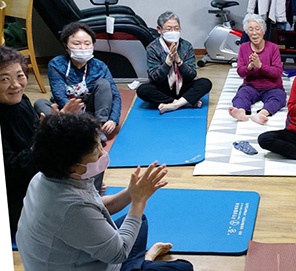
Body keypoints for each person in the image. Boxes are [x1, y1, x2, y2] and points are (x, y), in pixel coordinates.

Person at [16, 113, 193, 271]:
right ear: (73, 165)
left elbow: (97, 207)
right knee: (183, 267)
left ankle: (139, 264)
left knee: (140, 221)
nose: (103, 152)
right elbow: (119, 254)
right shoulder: (70, 208)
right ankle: (144, 261)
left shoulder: (45, 176)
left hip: (80, 254)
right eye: (96, 150)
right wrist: (139, 201)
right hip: (104, 260)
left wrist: (131, 192)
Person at [0, 47, 83, 240]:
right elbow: (12, 174)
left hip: (39, 178)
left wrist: (55, 124)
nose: (15, 85)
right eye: (4, 79)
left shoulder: (22, 101)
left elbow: (39, 137)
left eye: (19, 75)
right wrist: (46, 135)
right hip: (16, 197)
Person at [40, 22, 122, 142]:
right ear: (66, 46)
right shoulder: (56, 64)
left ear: (93, 45)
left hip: (92, 109)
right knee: (40, 103)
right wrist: (78, 117)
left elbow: (115, 94)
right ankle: (80, 128)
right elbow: (59, 95)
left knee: (104, 84)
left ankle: (97, 128)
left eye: (87, 43)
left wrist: (113, 119)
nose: (83, 48)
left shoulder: (100, 66)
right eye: (77, 44)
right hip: (69, 110)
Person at [136, 11, 212, 114]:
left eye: (176, 29)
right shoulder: (153, 48)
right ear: (159, 30)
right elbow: (154, 77)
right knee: (142, 90)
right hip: (163, 87)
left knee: (205, 83)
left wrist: (179, 61)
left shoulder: (186, 46)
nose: (173, 32)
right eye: (169, 29)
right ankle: (183, 102)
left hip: (183, 87)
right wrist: (167, 63)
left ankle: (174, 105)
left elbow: (192, 75)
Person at [229, 13, 286, 125]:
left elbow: (278, 72)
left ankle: (261, 114)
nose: (254, 33)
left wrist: (260, 66)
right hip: (251, 86)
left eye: (257, 29)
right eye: (250, 29)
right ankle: (241, 112)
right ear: (247, 32)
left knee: (278, 98)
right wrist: (250, 67)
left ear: (263, 31)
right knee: (241, 95)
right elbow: (240, 72)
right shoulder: (244, 48)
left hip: (272, 87)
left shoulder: (273, 48)